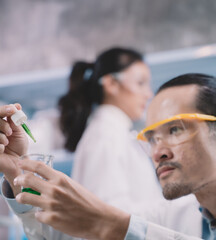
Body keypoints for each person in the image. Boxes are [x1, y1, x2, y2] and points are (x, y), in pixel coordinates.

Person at [0, 73, 216, 239]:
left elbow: (116, 226)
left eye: (175, 130)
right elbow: (71, 233)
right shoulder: (172, 215)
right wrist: (17, 172)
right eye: (151, 137)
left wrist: (113, 224)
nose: (159, 151)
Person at [57, 47, 164, 211]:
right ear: (111, 84)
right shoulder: (105, 136)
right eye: (140, 83)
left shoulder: (116, 133)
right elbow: (108, 214)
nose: (148, 94)